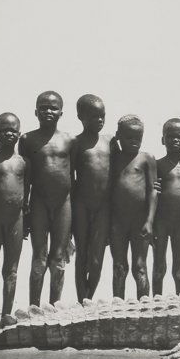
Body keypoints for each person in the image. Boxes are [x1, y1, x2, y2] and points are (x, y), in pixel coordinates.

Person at [21, 90, 73, 306]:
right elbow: (23, 176)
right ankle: (34, 307)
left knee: (59, 259)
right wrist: (24, 210)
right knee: (39, 258)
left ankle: (55, 309)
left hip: (64, 204)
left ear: (61, 112)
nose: (48, 111)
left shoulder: (70, 140)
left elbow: (76, 176)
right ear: (35, 111)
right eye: (43, 107)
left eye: (53, 108)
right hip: (39, 203)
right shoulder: (27, 139)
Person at [0, 113, 27, 327]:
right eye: (3, 131)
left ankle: (6, 315)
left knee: (12, 270)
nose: (8, 134)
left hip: (16, 220)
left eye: (12, 131)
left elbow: (28, 191)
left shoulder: (23, 162)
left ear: (19, 134)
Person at [109, 114, 157, 299]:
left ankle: (144, 308)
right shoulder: (114, 159)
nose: (134, 142)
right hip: (118, 222)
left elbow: (153, 190)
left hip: (140, 220)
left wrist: (149, 221)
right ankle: (118, 308)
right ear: (119, 136)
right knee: (119, 266)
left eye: (138, 138)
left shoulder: (146, 159)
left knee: (140, 266)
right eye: (129, 137)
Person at [71, 94, 113, 302]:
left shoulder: (111, 142)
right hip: (81, 205)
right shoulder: (75, 143)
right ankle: (81, 302)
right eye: (94, 116)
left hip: (103, 207)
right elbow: (69, 177)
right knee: (82, 256)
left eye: (102, 116)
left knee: (97, 258)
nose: (99, 120)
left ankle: (89, 298)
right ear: (81, 117)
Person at [153, 118, 180, 295]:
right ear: (163, 139)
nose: (175, 140)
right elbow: (152, 192)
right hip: (161, 221)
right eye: (170, 137)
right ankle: (154, 306)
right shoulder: (157, 164)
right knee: (159, 267)